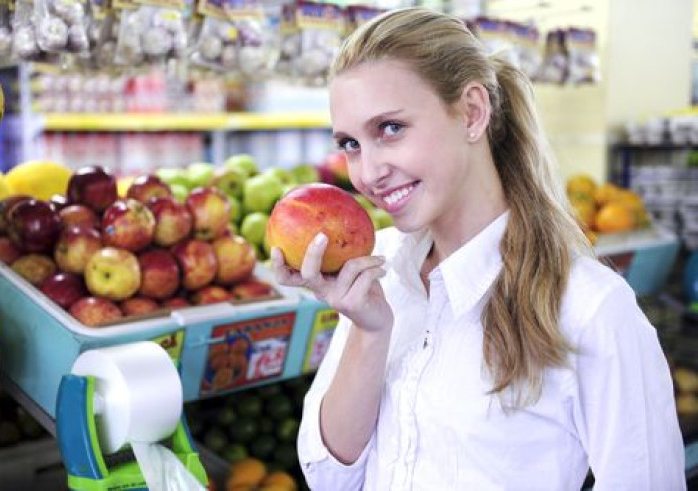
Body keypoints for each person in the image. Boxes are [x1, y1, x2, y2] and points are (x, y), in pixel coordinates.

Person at [270, 7, 685, 490]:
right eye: (350, 143)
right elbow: (331, 479)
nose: (367, 173)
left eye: (390, 129)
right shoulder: (378, 272)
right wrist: (369, 331)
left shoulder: (591, 309)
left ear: (472, 112)